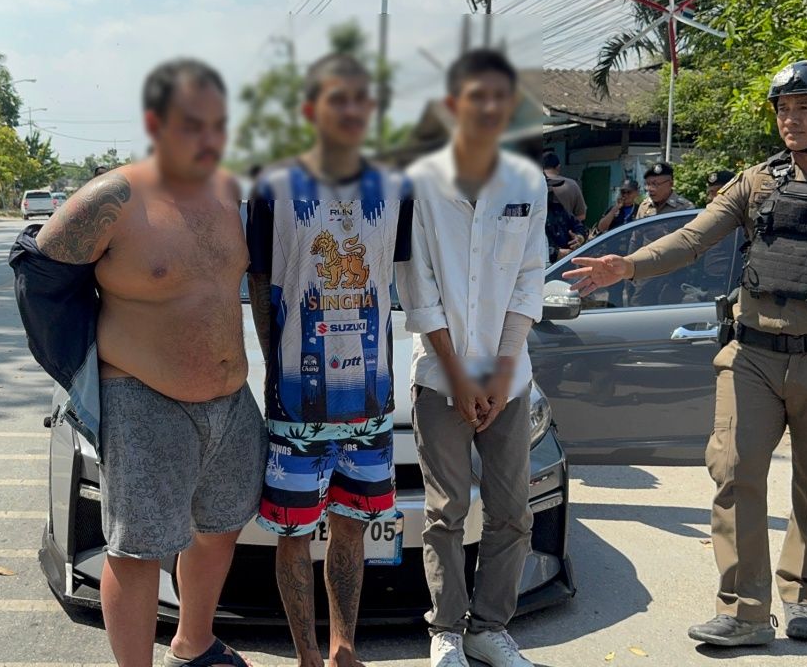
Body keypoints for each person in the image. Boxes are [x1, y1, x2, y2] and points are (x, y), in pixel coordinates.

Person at [564, 59, 807, 648]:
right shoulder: (757, 182)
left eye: (804, 108)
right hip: (752, 355)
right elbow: (691, 238)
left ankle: (804, 597)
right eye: (783, 109)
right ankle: (744, 610)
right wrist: (627, 265)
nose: (790, 119)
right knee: (733, 473)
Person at [34, 58, 266, 667]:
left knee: (220, 527)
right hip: (143, 399)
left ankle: (193, 644)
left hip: (230, 401)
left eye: (218, 123)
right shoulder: (112, 198)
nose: (209, 137)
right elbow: (39, 278)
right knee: (136, 551)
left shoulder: (228, 191)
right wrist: (81, 375)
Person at [246, 53, 412, 667]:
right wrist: (273, 366)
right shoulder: (274, 184)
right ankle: (307, 656)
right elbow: (259, 280)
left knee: (352, 526)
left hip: (371, 399)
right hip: (298, 403)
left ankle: (344, 647)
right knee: (292, 532)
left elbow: (397, 277)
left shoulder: (395, 187)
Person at [395, 48, 545, 667]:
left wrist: (501, 375)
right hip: (441, 377)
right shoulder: (421, 183)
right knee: (446, 511)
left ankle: (489, 628)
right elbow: (418, 289)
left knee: (512, 512)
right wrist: (460, 379)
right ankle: (447, 630)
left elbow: (529, 280)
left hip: (510, 379)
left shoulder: (527, 182)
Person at [541, 151, 587, 222]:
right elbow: (582, 216)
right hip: (566, 228)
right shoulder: (572, 185)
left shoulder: (531, 186)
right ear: (558, 167)